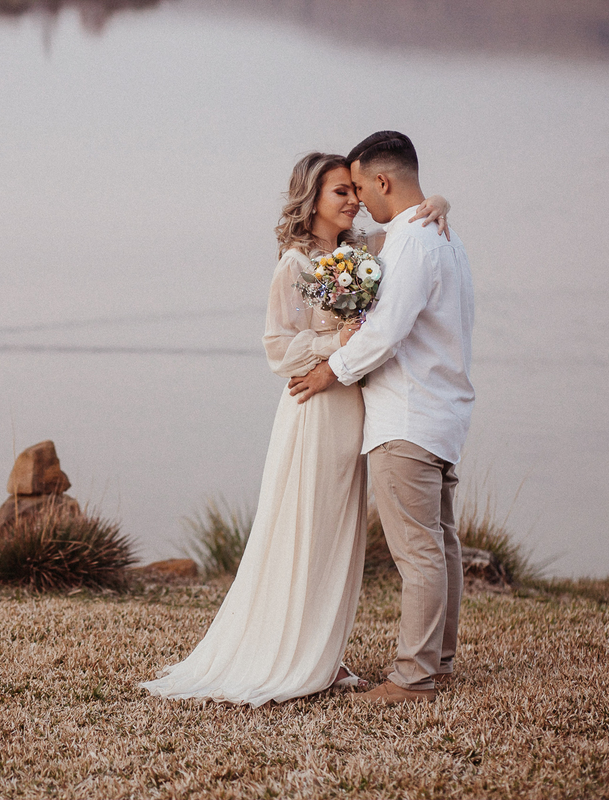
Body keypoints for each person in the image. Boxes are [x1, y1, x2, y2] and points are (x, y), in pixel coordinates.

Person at [139, 151, 450, 706]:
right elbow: (278, 349)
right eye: (340, 193)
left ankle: (322, 653)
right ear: (312, 201)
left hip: (357, 407)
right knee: (307, 531)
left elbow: (409, 227)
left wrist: (440, 203)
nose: (354, 201)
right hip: (315, 408)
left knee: (340, 535)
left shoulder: (363, 252)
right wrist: (339, 342)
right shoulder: (295, 266)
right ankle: (294, 655)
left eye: (355, 191)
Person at [288, 131, 474, 705]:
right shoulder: (440, 236)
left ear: (384, 181)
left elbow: (387, 332)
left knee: (419, 552)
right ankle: (437, 663)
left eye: (362, 185)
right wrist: (439, 200)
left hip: (408, 418)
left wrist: (331, 371)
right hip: (441, 414)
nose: (360, 199)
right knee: (440, 546)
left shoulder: (414, 242)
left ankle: (414, 677)